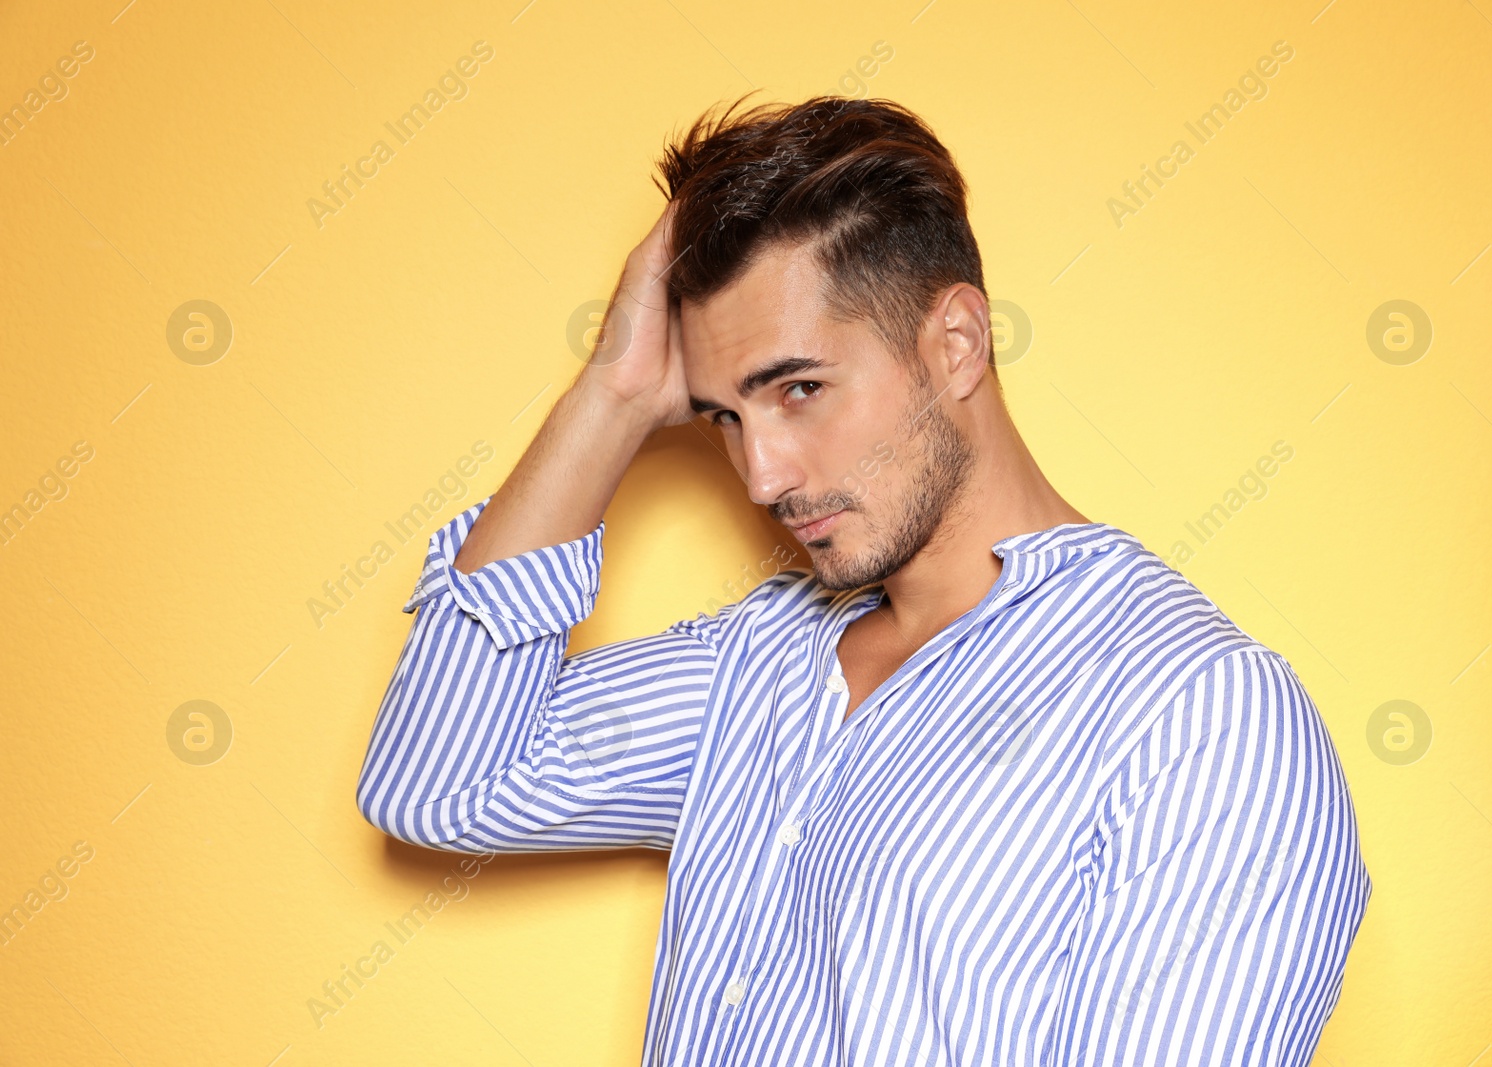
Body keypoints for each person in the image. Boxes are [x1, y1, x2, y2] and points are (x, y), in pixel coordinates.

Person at [357, 93, 1371, 1066]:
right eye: (721, 415)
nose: (761, 474)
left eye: (797, 389)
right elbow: (441, 782)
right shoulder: (755, 659)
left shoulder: (1196, 714)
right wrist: (613, 393)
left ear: (956, 342)